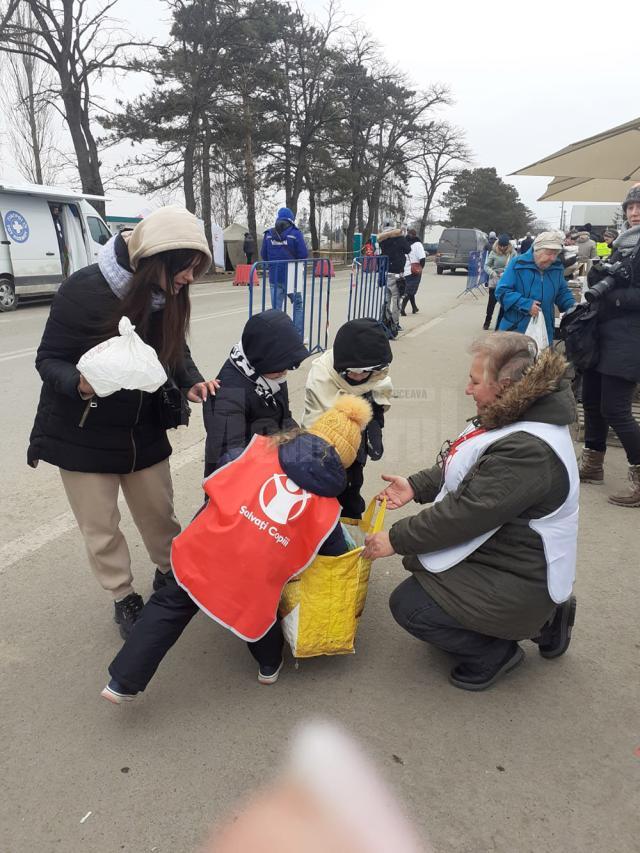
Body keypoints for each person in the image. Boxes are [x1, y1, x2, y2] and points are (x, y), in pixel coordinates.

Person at [101, 396, 372, 703]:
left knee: (168, 606)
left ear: (310, 433)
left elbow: (222, 469)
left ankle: (122, 681)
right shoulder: (327, 508)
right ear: (344, 462)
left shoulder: (257, 450)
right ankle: (269, 667)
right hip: (254, 576)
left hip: (206, 547)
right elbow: (335, 553)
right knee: (260, 614)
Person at [27, 207, 218, 638]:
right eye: (186, 269)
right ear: (157, 259)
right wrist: (78, 384)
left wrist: (190, 381)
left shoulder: (164, 294)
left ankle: (170, 576)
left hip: (142, 428)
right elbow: (48, 358)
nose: (190, 279)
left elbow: (174, 349)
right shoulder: (84, 291)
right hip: (82, 433)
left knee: (159, 515)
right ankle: (123, 597)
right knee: (101, 527)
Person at [363, 333, 579, 691]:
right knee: (427, 582)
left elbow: (464, 514)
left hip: (518, 569)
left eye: (476, 382)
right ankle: (547, 618)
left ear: (505, 386)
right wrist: (417, 485)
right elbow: (471, 465)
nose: (467, 389)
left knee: (411, 606)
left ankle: (497, 653)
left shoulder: (527, 450)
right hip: (510, 554)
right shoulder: (519, 411)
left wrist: (395, 539)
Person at [578, 185, 640, 507]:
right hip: (601, 335)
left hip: (630, 338)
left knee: (615, 409)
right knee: (590, 401)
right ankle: (592, 465)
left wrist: (613, 297)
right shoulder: (621, 245)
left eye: (639, 206)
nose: (634, 211)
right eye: (630, 206)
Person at [302, 319, 393, 519]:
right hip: (325, 443)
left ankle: (352, 516)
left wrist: (376, 424)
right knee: (323, 492)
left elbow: (378, 399)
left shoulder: (376, 375)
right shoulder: (322, 377)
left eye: (366, 371)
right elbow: (314, 421)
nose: (360, 377)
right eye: (354, 372)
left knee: (352, 485)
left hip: (356, 441)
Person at [203, 309, 309, 476]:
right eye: (281, 367)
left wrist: (302, 442)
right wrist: (283, 454)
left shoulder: (270, 373)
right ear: (262, 359)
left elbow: (284, 418)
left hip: (270, 471)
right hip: (240, 486)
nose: (285, 372)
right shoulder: (226, 394)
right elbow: (230, 459)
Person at [496, 230, 575, 345]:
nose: (553, 258)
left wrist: (573, 307)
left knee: (543, 362)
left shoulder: (557, 267)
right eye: (549, 253)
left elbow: (562, 292)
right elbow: (502, 292)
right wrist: (526, 305)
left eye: (556, 253)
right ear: (537, 250)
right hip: (516, 331)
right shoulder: (518, 264)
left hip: (544, 330)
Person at [261, 207, 308, 338]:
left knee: (276, 310)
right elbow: (303, 254)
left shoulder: (268, 234)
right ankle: (298, 336)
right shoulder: (295, 233)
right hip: (292, 277)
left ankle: (277, 338)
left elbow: (263, 255)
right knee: (298, 305)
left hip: (274, 277)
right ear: (291, 219)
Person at [377, 222, 411, 337]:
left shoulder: (382, 241)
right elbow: (408, 249)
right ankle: (395, 323)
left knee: (387, 299)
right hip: (397, 274)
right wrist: (403, 236)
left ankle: (384, 321)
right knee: (396, 300)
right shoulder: (399, 239)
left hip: (386, 272)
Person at [482, 233, 516, 330]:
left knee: (504, 304)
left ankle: (499, 324)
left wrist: (507, 273)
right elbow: (486, 266)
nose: (502, 248)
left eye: (504, 246)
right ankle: (487, 321)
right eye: (500, 245)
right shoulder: (493, 252)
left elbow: (515, 265)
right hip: (495, 280)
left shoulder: (513, 253)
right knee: (491, 303)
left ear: (508, 245)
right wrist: (492, 273)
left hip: (507, 281)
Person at [400, 229, 426, 316]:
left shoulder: (404, 243)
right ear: (415, 235)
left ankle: (414, 307)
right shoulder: (418, 244)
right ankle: (402, 308)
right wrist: (421, 268)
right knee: (410, 290)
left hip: (405, 270)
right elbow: (422, 258)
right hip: (414, 270)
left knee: (411, 289)